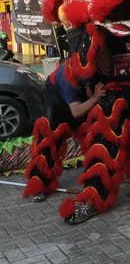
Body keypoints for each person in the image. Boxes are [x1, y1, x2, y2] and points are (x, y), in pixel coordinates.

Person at [24, 64, 106, 203]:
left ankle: (99, 177)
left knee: (94, 134)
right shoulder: (70, 79)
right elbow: (76, 112)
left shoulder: (95, 72)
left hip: (80, 99)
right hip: (56, 100)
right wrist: (94, 98)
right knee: (49, 141)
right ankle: (39, 186)